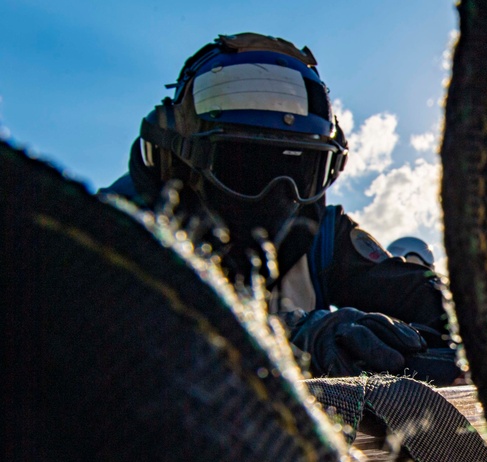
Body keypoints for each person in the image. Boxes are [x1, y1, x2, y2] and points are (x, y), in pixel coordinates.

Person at [101, 33, 458, 383]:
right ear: (175, 162)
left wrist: (477, 320)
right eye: (244, 166)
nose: (276, 195)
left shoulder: (318, 232)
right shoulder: (112, 230)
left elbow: (420, 293)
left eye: (298, 171)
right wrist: (296, 342)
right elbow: (118, 343)